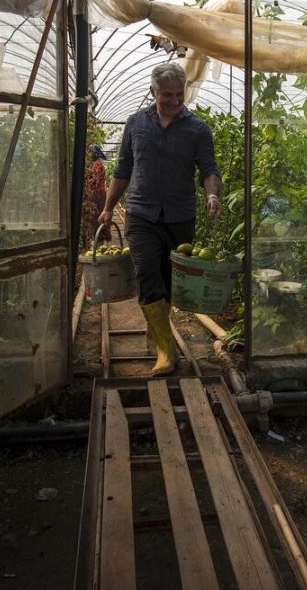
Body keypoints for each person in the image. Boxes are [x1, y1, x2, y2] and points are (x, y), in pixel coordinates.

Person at [98, 62, 223, 376]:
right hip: (141, 213)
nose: (175, 101)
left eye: (179, 95)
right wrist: (108, 206)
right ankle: (168, 353)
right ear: (152, 92)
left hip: (180, 216)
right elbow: (123, 170)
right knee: (148, 274)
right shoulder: (135, 124)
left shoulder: (197, 129)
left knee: (169, 282)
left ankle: (156, 332)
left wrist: (212, 194)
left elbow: (209, 170)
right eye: (167, 94)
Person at [82, 143, 110, 251]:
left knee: (95, 218)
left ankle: (98, 242)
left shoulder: (97, 164)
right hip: (98, 194)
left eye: (90, 153)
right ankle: (99, 241)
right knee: (96, 218)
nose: (89, 155)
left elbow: (94, 180)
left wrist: (85, 181)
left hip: (97, 194)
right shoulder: (97, 163)